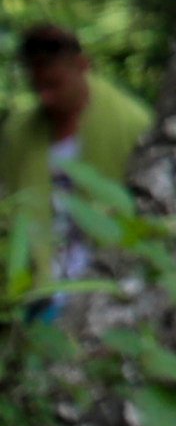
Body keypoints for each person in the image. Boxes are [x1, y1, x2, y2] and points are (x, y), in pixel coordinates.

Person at [1, 22, 149, 295]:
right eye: (37, 87)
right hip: (38, 283)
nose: (45, 97)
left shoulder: (131, 123)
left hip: (106, 279)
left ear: (81, 66)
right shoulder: (19, 132)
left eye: (54, 85)